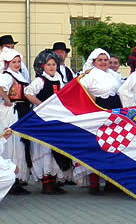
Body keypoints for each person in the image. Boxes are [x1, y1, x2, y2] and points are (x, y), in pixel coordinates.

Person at [24, 49, 72, 194]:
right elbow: (28, 92)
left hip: (55, 118)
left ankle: (54, 180)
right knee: (44, 149)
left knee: (54, 150)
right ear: (42, 66)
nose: (52, 67)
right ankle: (46, 183)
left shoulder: (59, 79)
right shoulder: (40, 80)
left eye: (53, 64)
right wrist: (40, 104)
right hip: (43, 119)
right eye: (48, 64)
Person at [78, 48, 123, 194]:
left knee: (114, 145)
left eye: (106, 60)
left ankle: (111, 182)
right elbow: (79, 88)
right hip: (99, 111)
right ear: (94, 61)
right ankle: (94, 183)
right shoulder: (89, 75)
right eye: (100, 60)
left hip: (114, 111)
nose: (104, 63)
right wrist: (93, 98)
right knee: (98, 146)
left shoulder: (114, 75)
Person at [0, 47, 31, 194]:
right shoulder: (7, 75)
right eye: (14, 62)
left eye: (19, 61)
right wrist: (7, 100)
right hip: (10, 113)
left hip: (20, 111)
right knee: (12, 145)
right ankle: (11, 179)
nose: (17, 64)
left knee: (19, 145)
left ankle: (18, 178)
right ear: (7, 63)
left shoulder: (18, 75)